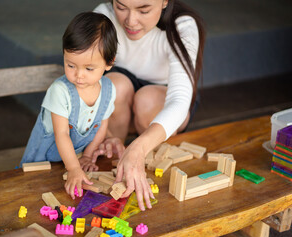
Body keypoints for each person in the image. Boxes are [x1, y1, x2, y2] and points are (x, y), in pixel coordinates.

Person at [93, 0, 205, 210]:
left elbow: (180, 100)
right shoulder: (103, 17)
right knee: (112, 86)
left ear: (164, 1)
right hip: (123, 96)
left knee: (147, 100)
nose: (130, 21)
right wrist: (106, 136)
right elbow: (85, 82)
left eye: (143, 10)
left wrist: (140, 147)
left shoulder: (182, 25)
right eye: (121, 7)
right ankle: (114, 154)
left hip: (160, 97)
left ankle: (143, 156)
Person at [20, 12, 119, 199]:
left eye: (89, 68)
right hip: (42, 165)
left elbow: (102, 126)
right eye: (70, 65)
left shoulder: (108, 89)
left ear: (109, 62)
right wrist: (73, 167)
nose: (79, 75)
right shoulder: (60, 91)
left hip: (75, 162)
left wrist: (88, 156)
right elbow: (62, 134)